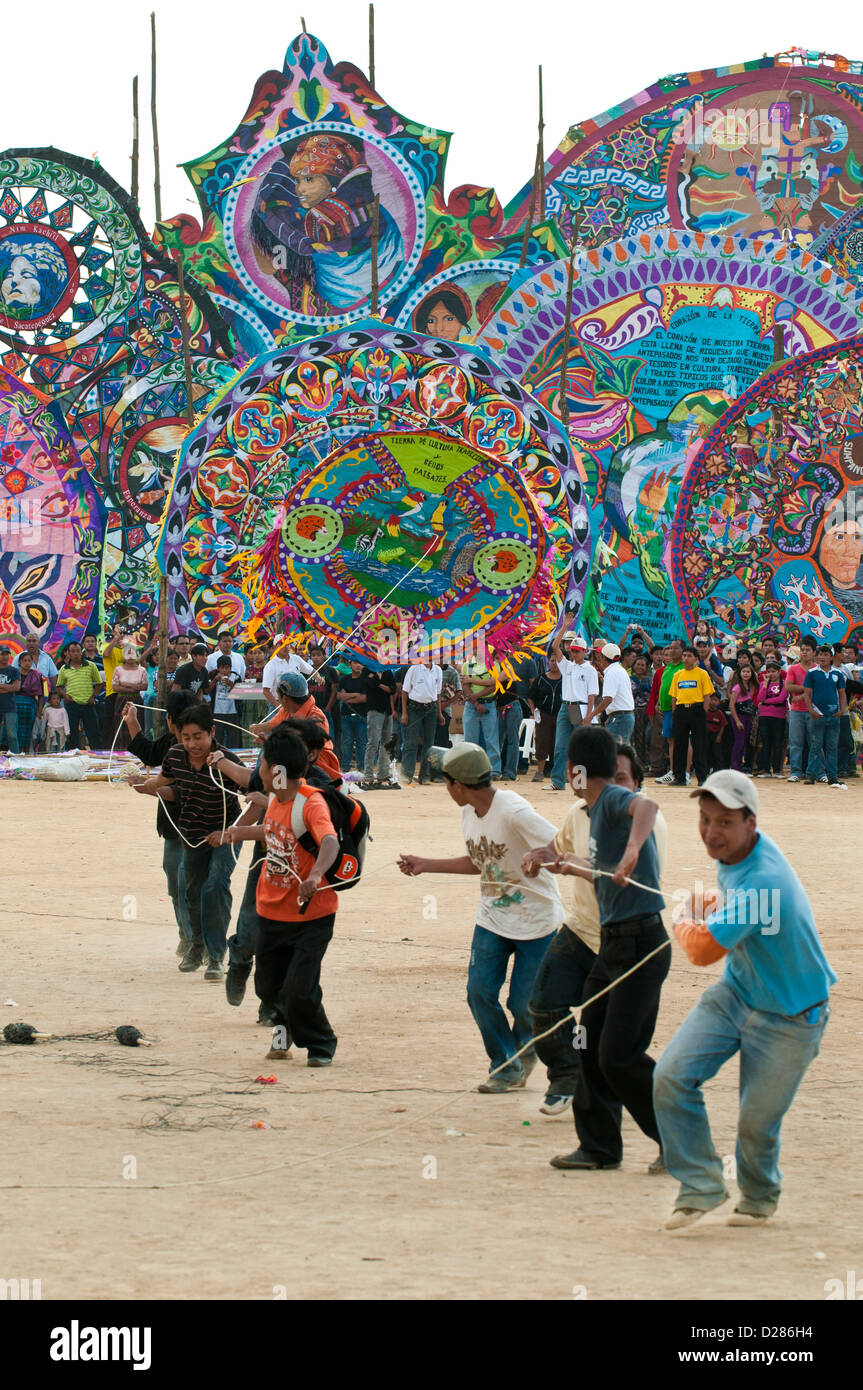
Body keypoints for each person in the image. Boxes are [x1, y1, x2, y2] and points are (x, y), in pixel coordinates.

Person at [654, 771, 835, 1228]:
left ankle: (758, 1196)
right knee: (670, 1076)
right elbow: (735, 901)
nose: (711, 832)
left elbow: (699, 951)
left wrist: (684, 917)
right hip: (737, 992)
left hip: (793, 1015)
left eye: (725, 822)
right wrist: (715, 903)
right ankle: (701, 1185)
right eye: (705, 818)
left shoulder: (764, 882)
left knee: (756, 1122)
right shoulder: (740, 852)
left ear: (750, 823)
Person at [530, 725, 668, 1172]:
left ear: (575, 770)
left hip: (640, 943)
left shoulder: (609, 799)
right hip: (614, 945)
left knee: (619, 1055)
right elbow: (570, 855)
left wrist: (630, 853)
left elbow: (646, 804)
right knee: (590, 1045)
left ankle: (679, 1139)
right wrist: (548, 859)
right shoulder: (586, 809)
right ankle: (599, 1147)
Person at [398, 743, 564, 1091]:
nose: (445, 788)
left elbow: (560, 848)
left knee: (523, 1004)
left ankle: (524, 1046)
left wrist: (539, 857)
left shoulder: (514, 810)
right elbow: (481, 861)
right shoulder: (468, 811)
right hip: (492, 917)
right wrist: (426, 864)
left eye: (445, 782)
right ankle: (506, 1064)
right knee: (478, 993)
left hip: (536, 921)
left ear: (458, 784)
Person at [212, 729, 341, 1065]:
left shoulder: (311, 803)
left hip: (311, 915)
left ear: (279, 772)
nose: (259, 772)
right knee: (268, 988)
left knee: (300, 987)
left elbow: (329, 841)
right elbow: (272, 831)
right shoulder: (275, 801)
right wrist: (237, 833)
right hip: (271, 911)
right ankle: (283, 1031)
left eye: (263, 766)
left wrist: (315, 875)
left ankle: (321, 1043)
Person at [138, 705, 243, 979]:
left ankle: (217, 956)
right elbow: (165, 785)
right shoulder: (174, 756)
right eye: (186, 737)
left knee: (216, 886)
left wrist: (233, 831)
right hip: (191, 835)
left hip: (225, 834)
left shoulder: (228, 761)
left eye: (198, 736)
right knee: (192, 891)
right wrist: (143, 784)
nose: (192, 744)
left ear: (212, 732)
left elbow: (255, 796)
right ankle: (197, 946)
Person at [122, 692, 199, 957]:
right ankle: (187, 935)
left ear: (169, 720)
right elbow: (149, 752)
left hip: (200, 825)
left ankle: (199, 940)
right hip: (172, 826)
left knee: (192, 885)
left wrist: (149, 788)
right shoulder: (168, 743)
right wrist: (132, 721)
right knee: (175, 883)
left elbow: (179, 790)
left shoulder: (202, 750)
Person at [549, 632, 599, 790]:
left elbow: (592, 695)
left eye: (577, 651)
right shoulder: (567, 666)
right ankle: (557, 782)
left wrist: (589, 716)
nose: (574, 653)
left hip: (581, 707)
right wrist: (564, 627)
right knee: (560, 745)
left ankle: (581, 782)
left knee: (581, 747)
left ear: (585, 652)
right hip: (566, 706)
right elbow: (555, 647)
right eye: (572, 651)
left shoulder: (590, 670)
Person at [802, 644, 847, 787]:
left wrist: (842, 710)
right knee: (815, 746)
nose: (822, 657)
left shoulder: (838, 674)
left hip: (833, 715)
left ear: (831, 657)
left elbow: (842, 693)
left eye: (826, 654)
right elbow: (807, 693)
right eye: (820, 654)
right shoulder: (812, 672)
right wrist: (811, 710)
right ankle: (810, 775)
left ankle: (833, 777)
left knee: (832, 747)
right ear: (817, 656)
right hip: (818, 714)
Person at [668, 646, 714, 787]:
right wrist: (675, 711)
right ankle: (679, 777)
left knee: (699, 744)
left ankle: (702, 777)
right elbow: (674, 696)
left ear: (695, 658)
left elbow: (707, 696)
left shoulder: (702, 674)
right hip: (681, 711)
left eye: (689, 656)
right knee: (679, 745)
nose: (686, 658)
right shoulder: (678, 675)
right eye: (684, 655)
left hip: (697, 710)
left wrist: (704, 711)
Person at [400, 658, 442, 786]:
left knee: (429, 743)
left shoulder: (438, 670)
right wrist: (405, 712)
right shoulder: (414, 668)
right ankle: (407, 774)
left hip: (431, 707)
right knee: (411, 742)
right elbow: (405, 691)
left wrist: (439, 713)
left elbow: (438, 694)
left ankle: (425, 776)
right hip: (414, 707)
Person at [496, 656, 537, 782]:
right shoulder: (496, 667)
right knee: (500, 739)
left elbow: (494, 682)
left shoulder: (507, 667)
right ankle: (500, 770)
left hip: (512, 707)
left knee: (511, 740)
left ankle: (509, 772)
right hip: (502, 708)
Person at [56, 641, 103, 750]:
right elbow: (59, 686)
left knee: (93, 732)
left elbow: (100, 683)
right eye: (73, 651)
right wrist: (65, 696)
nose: (76, 653)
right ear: (68, 653)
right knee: (73, 733)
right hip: (72, 704)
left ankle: (97, 755)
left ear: (81, 652)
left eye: (78, 651)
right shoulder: (64, 669)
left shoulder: (91, 666)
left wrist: (93, 697)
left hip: (88, 704)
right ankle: (74, 755)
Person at [460, 655, 501, 777]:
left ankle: (494, 771)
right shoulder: (469, 664)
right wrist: (476, 702)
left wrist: (475, 698)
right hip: (475, 704)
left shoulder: (493, 665)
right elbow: (465, 685)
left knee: (491, 740)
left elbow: (493, 685)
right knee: (471, 740)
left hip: (483, 703)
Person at [784, 639, 816, 783]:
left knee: (815, 743)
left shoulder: (817, 669)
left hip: (813, 710)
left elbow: (820, 690)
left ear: (814, 652)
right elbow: (789, 687)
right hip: (796, 710)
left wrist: (802, 692)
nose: (804, 652)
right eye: (802, 649)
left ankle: (815, 772)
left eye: (808, 650)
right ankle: (795, 772)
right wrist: (808, 688)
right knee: (795, 743)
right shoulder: (793, 668)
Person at [589, 643, 636, 742]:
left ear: (603, 658)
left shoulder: (612, 672)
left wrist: (592, 715)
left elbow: (608, 699)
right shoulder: (620, 670)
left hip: (620, 718)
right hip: (623, 716)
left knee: (614, 752)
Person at [654, 638, 684, 784]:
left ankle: (685, 772)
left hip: (679, 708)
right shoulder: (669, 666)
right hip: (665, 708)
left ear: (683, 650)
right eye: (670, 648)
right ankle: (673, 771)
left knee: (683, 740)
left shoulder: (685, 666)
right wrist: (658, 702)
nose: (671, 651)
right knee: (670, 740)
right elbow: (664, 686)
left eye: (675, 648)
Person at [362, 665, 397, 788]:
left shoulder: (387, 671)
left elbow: (393, 690)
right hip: (374, 709)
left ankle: (383, 774)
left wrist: (378, 683)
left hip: (387, 710)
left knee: (386, 743)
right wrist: (383, 685)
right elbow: (370, 684)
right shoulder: (367, 669)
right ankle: (368, 775)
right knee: (373, 742)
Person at [530, 655, 563, 782]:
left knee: (560, 744)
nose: (554, 663)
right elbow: (531, 696)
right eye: (552, 661)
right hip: (544, 715)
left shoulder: (566, 679)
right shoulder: (541, 679)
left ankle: (560, 772)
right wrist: (533, 710)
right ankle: (540, 772)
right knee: (542, 742)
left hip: (561, 716)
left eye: (557, 661)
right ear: (548, 662)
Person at [111, 643, 148, 748]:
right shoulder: (118, 669)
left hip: (136, 700)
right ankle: (121, 749)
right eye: (128, 653)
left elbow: (144, 686)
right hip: (122, 700)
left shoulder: (142, 670)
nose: (130, 657)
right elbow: (115, 687)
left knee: (137, 723)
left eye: (133, 653)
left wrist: (127, 685)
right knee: (121, 725)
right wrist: (133, 687)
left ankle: (137, 748)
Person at [755, 659, 787, 777]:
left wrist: (766, 701)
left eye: (773, 671)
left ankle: (777, 770)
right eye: (768, 671)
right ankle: (766, 770)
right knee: (765, 744)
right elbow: (760, 698)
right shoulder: (764, 684)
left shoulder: (784, 683)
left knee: (777, 743)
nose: (771, 674)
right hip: (764, 716)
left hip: (779, 716)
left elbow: (781, 699)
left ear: (779, 672)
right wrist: (764, 685)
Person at [338, 656, 369, 772]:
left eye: (360, 663)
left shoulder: (366, 680)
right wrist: (356, 695)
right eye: (355, 662)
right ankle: (345, 766)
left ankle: (361, 767)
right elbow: (340, 696)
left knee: (362, 742)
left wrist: (348, 696)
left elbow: (364, 698)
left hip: (361, 716)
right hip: (346, 716)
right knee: (347, 742)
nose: (357, 665)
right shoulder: (344, 679)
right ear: (350, 665)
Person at [261, 640, 313, 707]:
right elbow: (266, 691)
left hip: (298, 703)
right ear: (275, 647)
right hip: (279, 703)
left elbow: (311, 670)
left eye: (288, 644)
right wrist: (278, 706)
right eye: (282, 644)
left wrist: (318, 677)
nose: (286, 647)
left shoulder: (296, 658)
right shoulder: (270, 665)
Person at [728, 660, 759, 772]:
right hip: (739, 716)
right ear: (740, 673)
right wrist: (737, 721)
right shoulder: (737, 687)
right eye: (744, 671)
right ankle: (734, 766)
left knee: (744, 743)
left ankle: (739, 767)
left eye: (748, 672)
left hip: (747, 717)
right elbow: (731, 705)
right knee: (739, 742)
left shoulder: (751, 686)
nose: (746, 674)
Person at [207, 654, 240, 746]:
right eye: (222, 668)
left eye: (227, 668)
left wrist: (231, 685)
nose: (224, 670)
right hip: (217, 711)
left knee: (233, 736)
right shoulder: (213, 676)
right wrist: (214, 681)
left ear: (230, 667)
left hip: (232, 711)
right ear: (218, 668)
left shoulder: (236, 677)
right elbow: (207, 690)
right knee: (218, 736)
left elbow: (241, 694)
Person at [15, 651, 44, 753]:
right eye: (24, 660)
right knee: (14, 732)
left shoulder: (37, 675)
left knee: (28, 733)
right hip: (15, 707)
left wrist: (39, 712)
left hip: (30, 708)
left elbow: (41, 696)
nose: (27, 663)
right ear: (19, 662)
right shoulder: (14, 674)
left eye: (29, 661)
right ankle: (15, 755)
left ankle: (27, 756)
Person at [630, 653, 653, 768]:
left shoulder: (649, 680)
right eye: (638, 664)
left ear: (646, 667)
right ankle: (640, 762)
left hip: (647, 711)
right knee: (637, 737)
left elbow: (653, 695)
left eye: (643, 665)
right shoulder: (629, 680)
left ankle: (648, 761)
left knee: (647, 736)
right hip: (635, 710)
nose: (640, 667)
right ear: (633, 666)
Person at [0, 645, 22, 751]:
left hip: (10, 707)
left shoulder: (14, 671)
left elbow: (16, 687)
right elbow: (12, 687)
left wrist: (2, 686)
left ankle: (16, 759)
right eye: (2, 654)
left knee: (12, 735)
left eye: (7, 654)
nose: (5, 657)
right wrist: (9, 688)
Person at [705, 692, 729, 772]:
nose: (713, 702)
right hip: (706, 735)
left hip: (715, 736)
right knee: (706, 752)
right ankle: (706, 769)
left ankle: (718, 770)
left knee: (717, 753)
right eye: (711, 700)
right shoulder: (705, 711)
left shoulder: (720, 713)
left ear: (719, 702)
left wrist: (719, 736)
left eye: (716, 700)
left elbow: (723, 725)